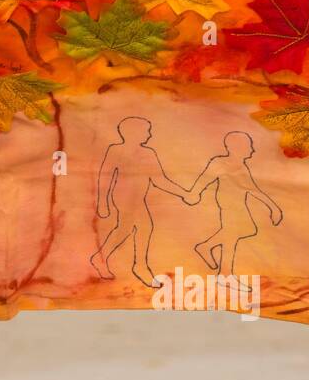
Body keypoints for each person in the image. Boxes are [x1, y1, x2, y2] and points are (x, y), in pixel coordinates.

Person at [93, 117, 195, 287]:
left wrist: (183, 193)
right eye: (146, 131)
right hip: (123, 197)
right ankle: (133, 265)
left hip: (139, 197)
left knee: (134, 228)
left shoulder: (149, 153)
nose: (149, 134)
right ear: (133, 133)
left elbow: (159, 180)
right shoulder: (115, 150)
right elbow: (105, 177)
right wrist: (102, 203)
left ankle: (109, 259)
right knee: (133, 227)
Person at [187, 132, 282, 288]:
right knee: (231, 237)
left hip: (239, 204)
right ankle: (225, 275)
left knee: (247, 229)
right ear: (237, 148)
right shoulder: (220, 163)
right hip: (228, 204)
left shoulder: (241, 166)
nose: (252, 150)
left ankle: (205, 247)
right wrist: (195, 193)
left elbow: (252, 189)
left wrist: (273, 207)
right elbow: (205, 179)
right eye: (248, 146)